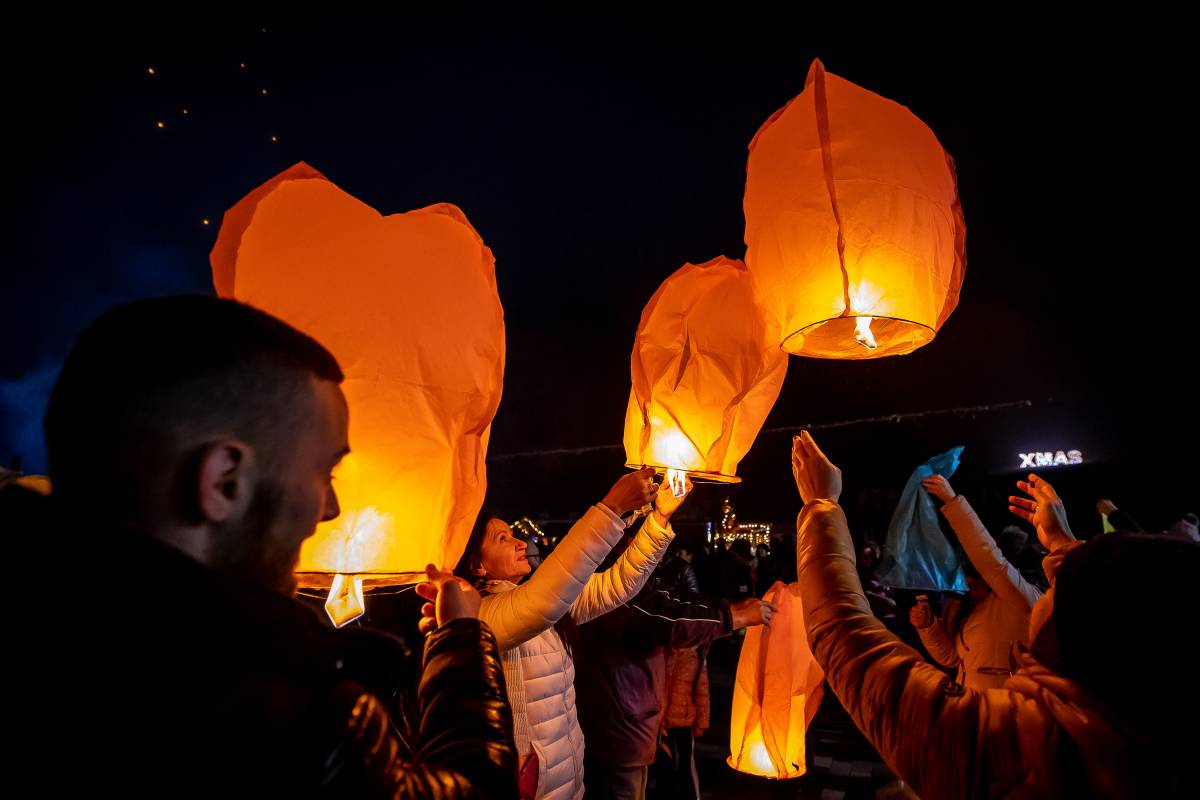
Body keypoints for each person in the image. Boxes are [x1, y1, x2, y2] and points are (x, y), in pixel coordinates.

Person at [29, 296, 517, 797]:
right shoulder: (283, 720)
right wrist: (460, 639)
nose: (330, 509)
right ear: (226, 480)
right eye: (325, 472)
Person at [791, 430, 1197, 798]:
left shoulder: (1016, 746)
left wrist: (821, 506)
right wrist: (1060, 541)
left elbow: (846, 636)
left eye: (1062, 586)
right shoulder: (1121, 727)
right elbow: (955, 659)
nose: (1052, 584)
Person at [454, 468, 687, 800]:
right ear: (477, 564)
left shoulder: (540, 603)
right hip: (531, 786)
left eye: (512, 534)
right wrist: (611, 508)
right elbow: (544, 598)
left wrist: (658, 520)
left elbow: (617, 584)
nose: (520, 543)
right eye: (502, 539)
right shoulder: (484, 615)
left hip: (567, 776)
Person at [909, 474, 1042, 689]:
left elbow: (987, 557)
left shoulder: (1019, 597)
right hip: (971, 704)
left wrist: (953, 502)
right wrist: (928, 627)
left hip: (1007, 704)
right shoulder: (970, 609)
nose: (967, 583)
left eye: (973, 577)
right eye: (965, 577)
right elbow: (952, 659)